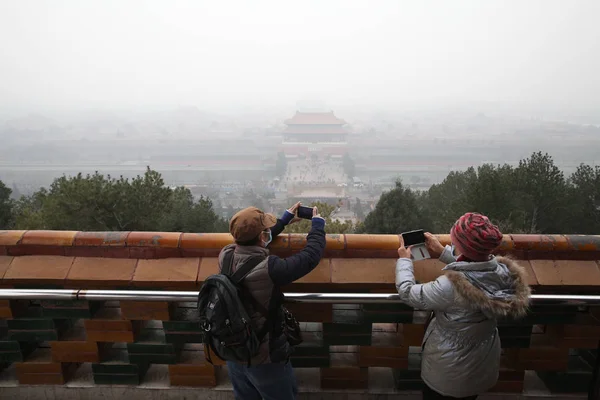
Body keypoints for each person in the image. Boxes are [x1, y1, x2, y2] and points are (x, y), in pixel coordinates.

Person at [395, 212, 531, 399]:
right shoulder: (503, 273)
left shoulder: (449, 288)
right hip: (480, 364)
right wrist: (443, 253)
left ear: (459, 244)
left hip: (447, 371)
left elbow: (408, 292)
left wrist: (404, 260)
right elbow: (477, 269)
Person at [219, 202, 326, 400]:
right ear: (262, 236)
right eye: (266, 231)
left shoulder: (225, 254)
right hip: (265, 357)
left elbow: (252, 246)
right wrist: (318, 226)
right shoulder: (271, 268)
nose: (268, 233)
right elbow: (310, 257)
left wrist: (284, 220)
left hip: (235, 350)